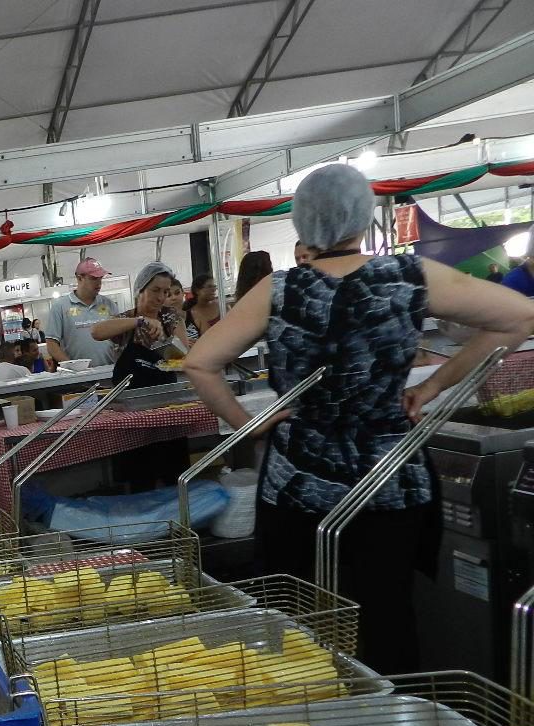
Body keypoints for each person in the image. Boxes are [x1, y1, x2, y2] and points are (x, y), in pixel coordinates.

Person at [183, 163, 534, 675]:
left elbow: (200, 363)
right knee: (388, 614)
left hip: (299, 481)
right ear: (364, 216)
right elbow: (521, 316)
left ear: (303, 223)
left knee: (292, 621)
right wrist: (435, 385)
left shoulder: (277, 291)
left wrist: (249, 424)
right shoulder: (410, 275)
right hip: (387, 478)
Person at [91, 261, 184, 390]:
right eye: (156, 290)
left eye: (165, 292)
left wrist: (166, 346)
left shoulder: (170, 318)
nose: (160, 297)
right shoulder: (126, 320)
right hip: (130, 397)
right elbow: (96, 332)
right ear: (140, 289)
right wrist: (140, 321)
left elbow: (183, 360)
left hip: (165, 394)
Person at [45, 258, 120, 368]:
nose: (99, 283)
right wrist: (72, 367)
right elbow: (51, 344)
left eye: (100, 278)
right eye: (94, 278)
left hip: (109, 372)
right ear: (80, 278)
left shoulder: (109, 304)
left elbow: (120, 339)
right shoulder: (60, 307)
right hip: (78, 378)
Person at [185, 273, 220, 339]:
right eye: (209, 287)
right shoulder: (192, 313)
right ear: (197, 290)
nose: (214, 289)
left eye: (214, 286)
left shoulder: (221, 306)